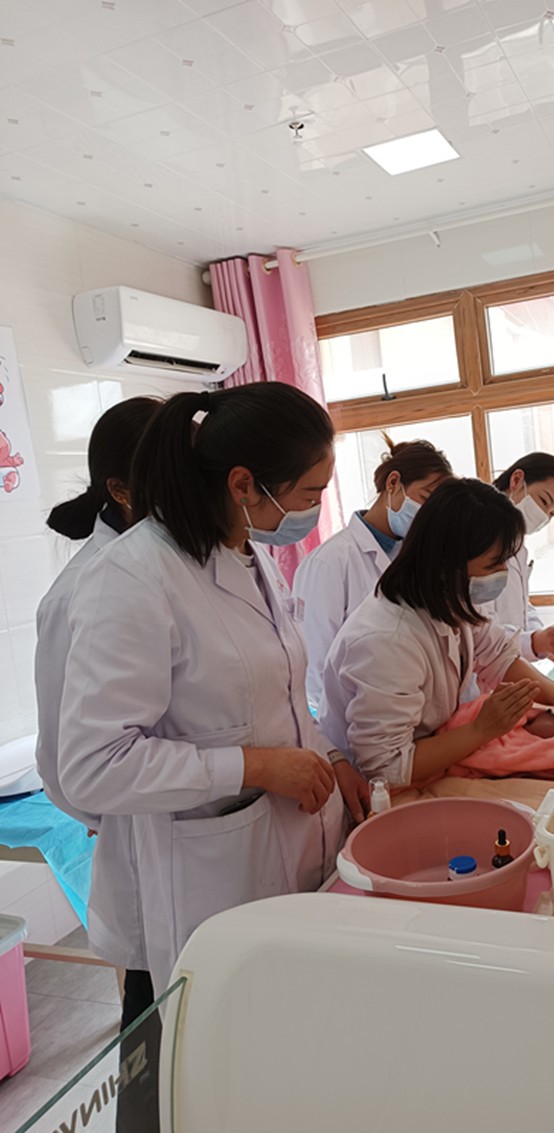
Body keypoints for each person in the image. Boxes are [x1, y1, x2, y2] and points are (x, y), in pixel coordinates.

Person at [57, 383, 360, 996]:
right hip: (214, 875)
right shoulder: (132, 576)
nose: (315, 510)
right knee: (230, 1030)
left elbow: (272, 692)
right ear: (244, 484)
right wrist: (256, 766)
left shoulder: (245, 551)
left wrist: (327, 754)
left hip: (295, 846)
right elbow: (93, 767)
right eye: (309, 495)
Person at [34, 396, 162, 1133]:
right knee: (153, 1051)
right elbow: (69, 767)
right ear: (121, 489)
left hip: (215, 854)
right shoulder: (82, 591)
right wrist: (130, 804)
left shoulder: (194, 557)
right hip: (146, 851)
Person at [318, 478, 554, 786]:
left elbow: (499, 655)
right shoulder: (387, 641)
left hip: (433, 760)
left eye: (505, 562)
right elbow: (387, 767)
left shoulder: (453, 600)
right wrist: (481, 730)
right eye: (493, 565)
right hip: (379, 786)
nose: (503, 574)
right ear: (445, 563)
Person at [293, 436, 452, 707]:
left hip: (409, 703)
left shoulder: (417, 558)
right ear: (393, 483)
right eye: (425, 498)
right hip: (352, 714)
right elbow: (316, 665)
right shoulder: (330, 562)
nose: (427, 516)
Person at [485, 453, 554, 668]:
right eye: (544, 501)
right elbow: (479, 630)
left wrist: (543, 637)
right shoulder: (480, 539)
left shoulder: (518, 546)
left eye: (552, 513)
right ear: (517, 480)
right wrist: (535, 642)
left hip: (506, 664)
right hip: (483, 670)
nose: (544, 516)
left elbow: (521, 604)